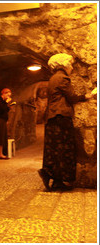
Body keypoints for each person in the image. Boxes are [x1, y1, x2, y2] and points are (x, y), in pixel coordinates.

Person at [38, 53, 96, 191]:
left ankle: (51, 175)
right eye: (70, 64)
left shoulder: (53, 78)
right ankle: (56, 178)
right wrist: (88, 95)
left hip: (53, 116)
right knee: (64, 148)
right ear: (63, 65)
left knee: (54, 148)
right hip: (61, 116)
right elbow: (72, 97)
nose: (71, 67)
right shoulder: (63, 78)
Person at [0, 88, 14, 159]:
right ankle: (0, 155)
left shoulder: (3, 101)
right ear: (4, 93)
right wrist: (7, 102)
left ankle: (0, 153)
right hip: (0, 121)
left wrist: (9, 106)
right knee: (0, 138)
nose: (8, 97)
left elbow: (5, 110)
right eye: (7, 95)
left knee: (1, 137)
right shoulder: (0, 100)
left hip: (3, 121)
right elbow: (1, 110)